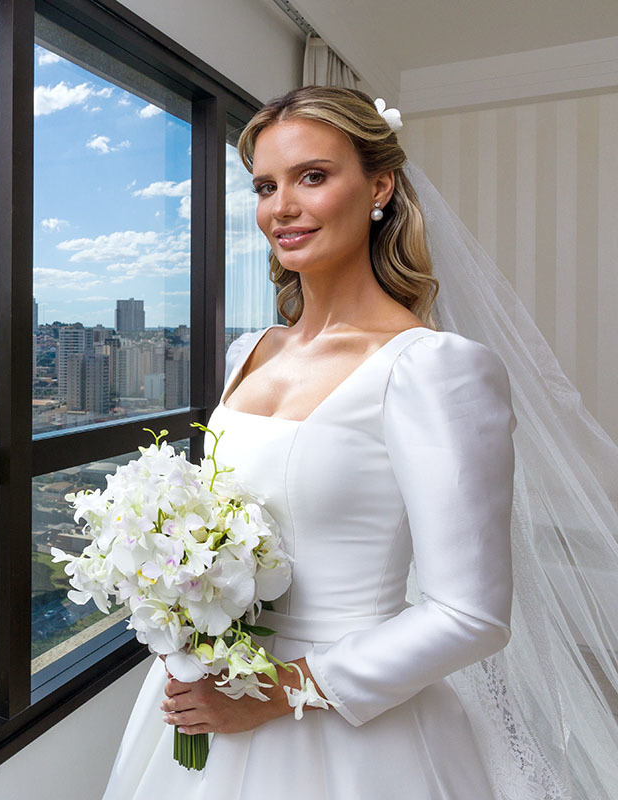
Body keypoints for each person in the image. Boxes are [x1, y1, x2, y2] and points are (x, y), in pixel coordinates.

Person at [103, 85, 522, 798]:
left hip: (340, 725)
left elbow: (471, 614)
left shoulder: (433, 369)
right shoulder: (250, 351)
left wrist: (275, 692)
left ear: (379, 185)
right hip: (206, 694)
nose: (282, 208)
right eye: (266, 186)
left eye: (313, 177)